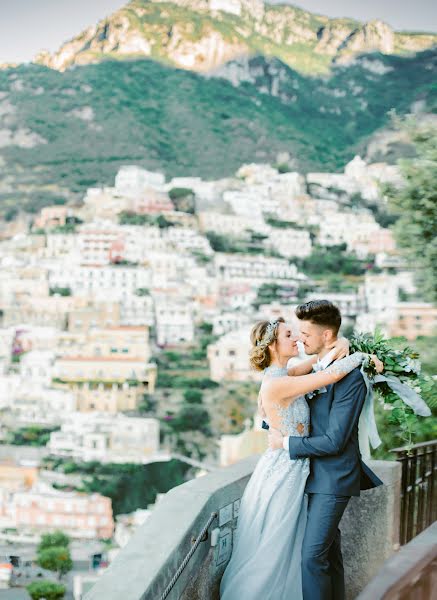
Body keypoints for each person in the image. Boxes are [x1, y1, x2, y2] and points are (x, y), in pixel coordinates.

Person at [220, 313, 382, 600]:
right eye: (288, 336)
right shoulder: (276, 383)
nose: (296, 338)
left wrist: (343, 342)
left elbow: (321, 362)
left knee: (306, 549)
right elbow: (328, 374)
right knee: (277, 545)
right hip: (285, 470)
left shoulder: (287, 374)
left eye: (297, 333)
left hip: (301, 469)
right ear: (271, 345)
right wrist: (362, 359)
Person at [268, 300, 383, 600]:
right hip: (309, 475)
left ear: (327, 335)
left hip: (333, 477)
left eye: (305, 333)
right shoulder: (318, 368)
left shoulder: (351, 378)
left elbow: (335, 440)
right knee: (329, 556)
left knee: (311, 557)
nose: (300, 339)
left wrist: (287, 444)